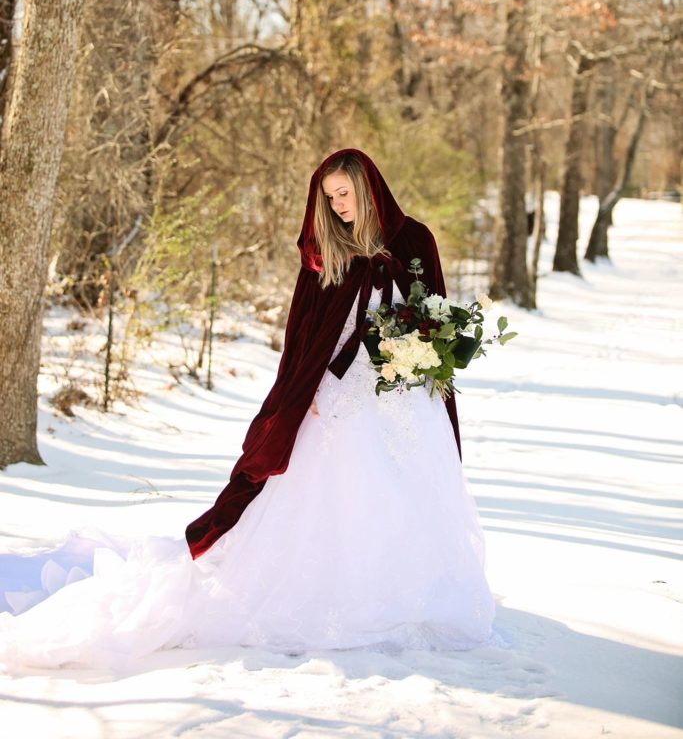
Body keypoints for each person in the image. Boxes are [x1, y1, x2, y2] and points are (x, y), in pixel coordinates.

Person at [0, 148, 496, 671]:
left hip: (401, 400)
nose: (338, 206)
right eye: (329, 199)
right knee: (338, 499)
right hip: (337, 399)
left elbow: (434, 313)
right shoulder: (324, 251)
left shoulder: (415, 240)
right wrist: (303, 399)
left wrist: (425, 356)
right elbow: (304, 338)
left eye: (344, 195)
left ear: (368, 187)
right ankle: (335, 599)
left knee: (405, 498)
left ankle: (406, 600)